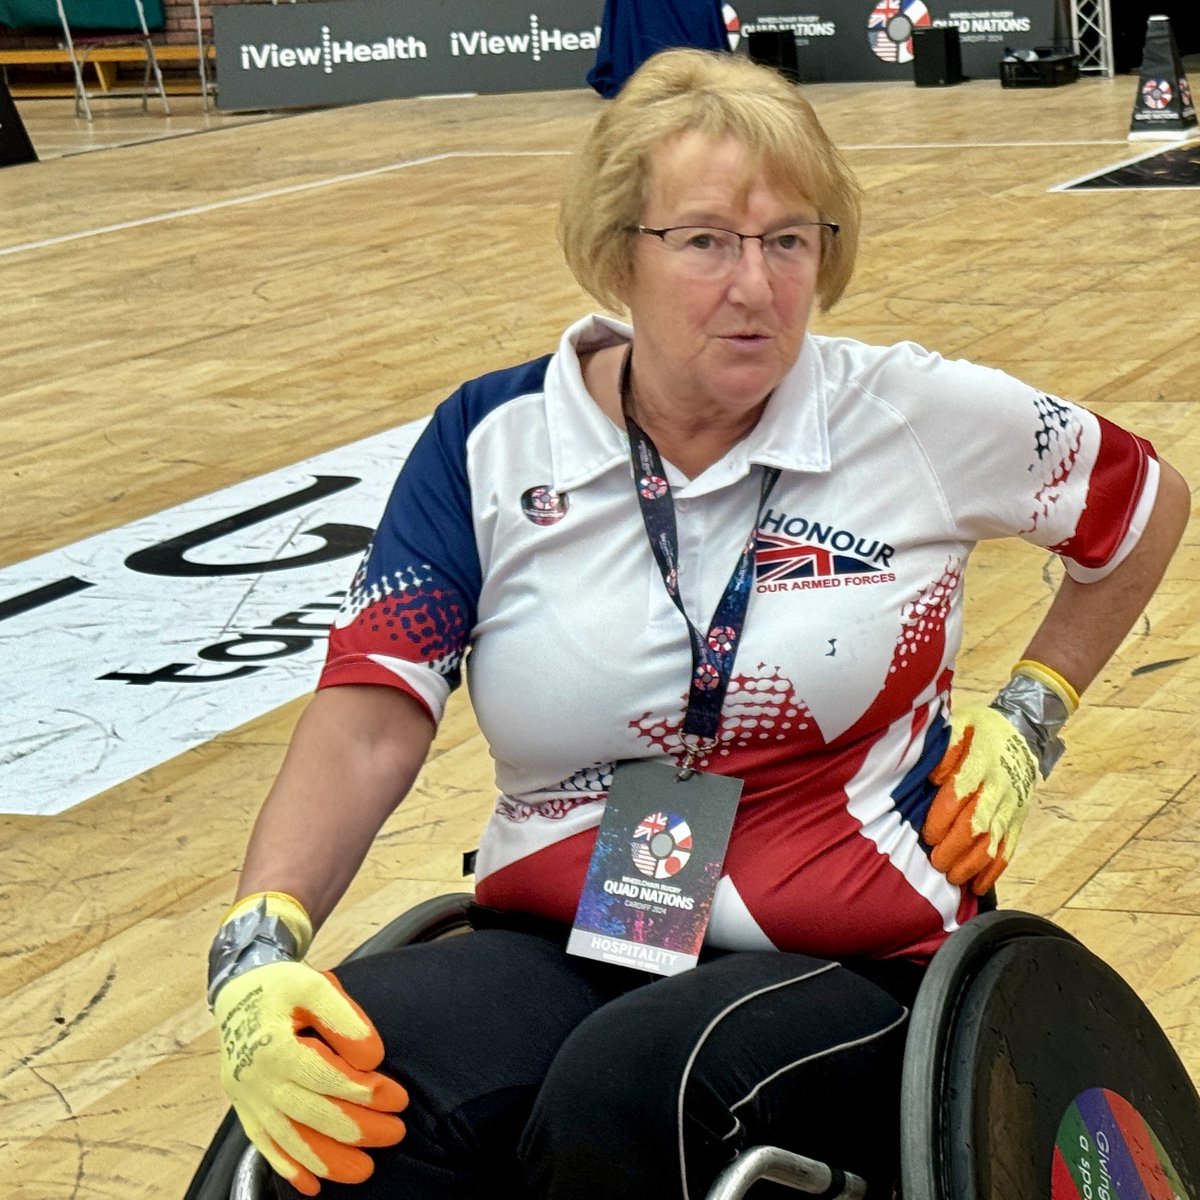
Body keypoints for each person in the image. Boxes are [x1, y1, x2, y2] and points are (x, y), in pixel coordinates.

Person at [205, 49, 1190, 1200]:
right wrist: (257, 944)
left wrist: (1031, 715)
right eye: (707, 240)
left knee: (637, 1089)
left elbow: (1146, 504)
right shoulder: (493, 442)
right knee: (351, 1085)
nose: (757, 284)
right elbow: (373, 719)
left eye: (789, 240)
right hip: (571, 931)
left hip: (854, 954)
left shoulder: (911, 414)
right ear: (619, 247)